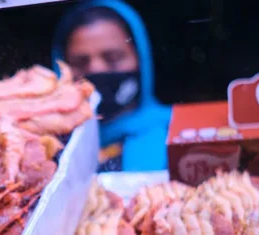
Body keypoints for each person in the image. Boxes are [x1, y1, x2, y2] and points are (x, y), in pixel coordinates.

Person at [52, 0, 171, 172]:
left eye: (113, 58)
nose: (96, 69)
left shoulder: (180, 137)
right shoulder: (49, 153)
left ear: (141, 59)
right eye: (80, 62)